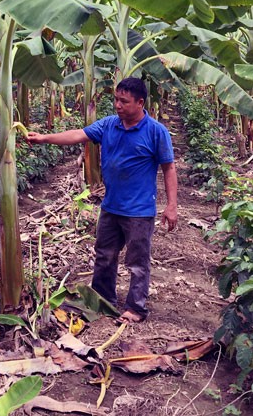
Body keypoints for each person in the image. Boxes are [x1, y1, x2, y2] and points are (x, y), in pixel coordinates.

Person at [27, 77, 178, 323]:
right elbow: (78, 134)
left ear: (140, 103)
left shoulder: (156, 132)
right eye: (116, 100)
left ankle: (136, 308)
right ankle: (102, 299)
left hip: (139, 211)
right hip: (111, 207)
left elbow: (169, 169)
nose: (118, 105)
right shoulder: (109, 125)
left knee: (137, 261)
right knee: (104, 255)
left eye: (124, 101)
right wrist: (44, 138)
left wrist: (171, 206)